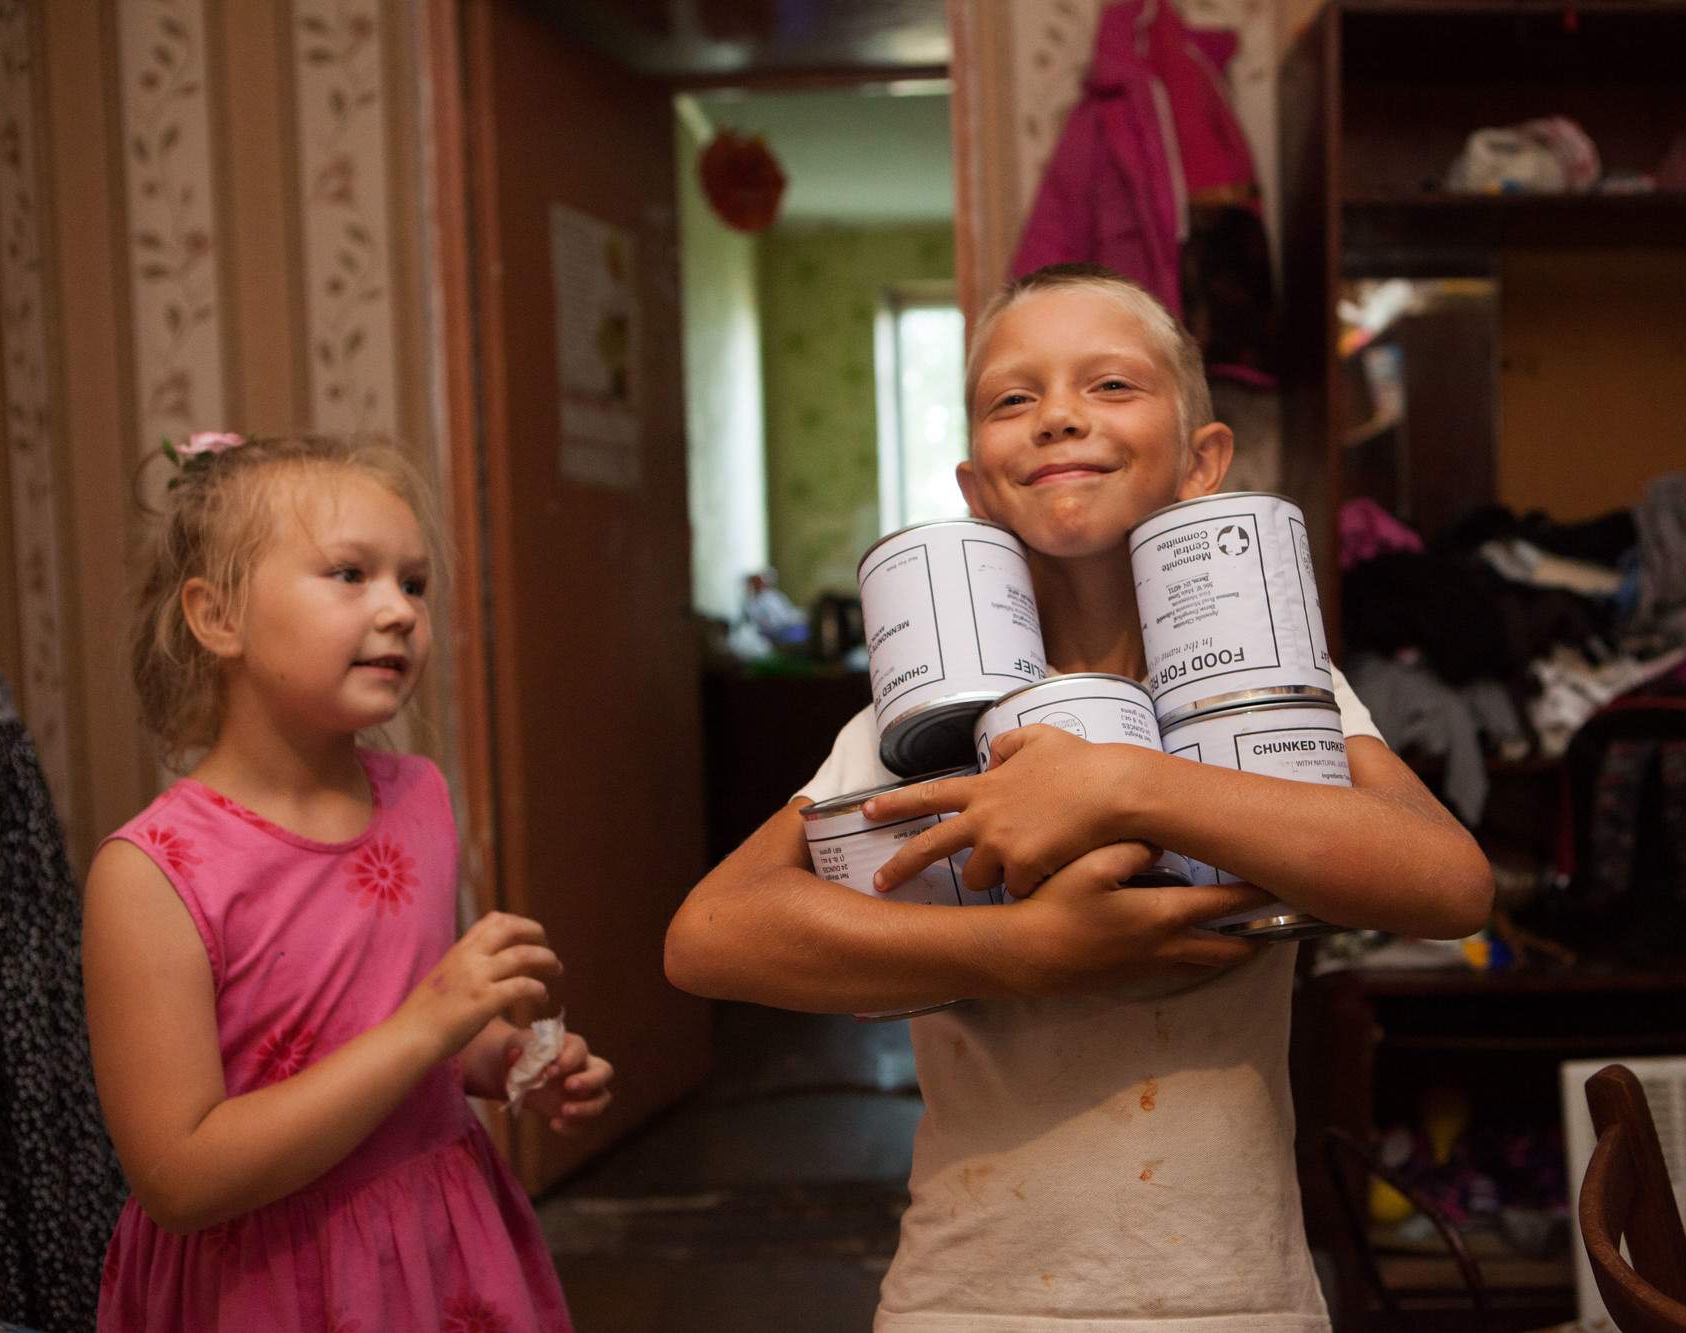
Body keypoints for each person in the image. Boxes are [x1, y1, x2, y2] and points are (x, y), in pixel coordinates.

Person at [666, 264, 1493, 1330]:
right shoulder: (918, 720)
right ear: (975, 489)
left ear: (1202, 463)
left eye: (1109, 386)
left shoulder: (1272, 683)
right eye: (1014, 398)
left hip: (1231, 1295)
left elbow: (1448, 885)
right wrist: (1023, 954)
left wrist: (1125, 783)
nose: (1058, 415)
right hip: (971, 1294)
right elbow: (710, 935)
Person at [83, 434, 611, 1332]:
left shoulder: (420, 797)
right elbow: (179, 1177)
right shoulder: (150, 873)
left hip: (438, 1245)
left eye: (412, 582)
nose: (399, 610)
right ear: (218, 618)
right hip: (266, 1280)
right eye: (349, 575)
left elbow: (416, 1031)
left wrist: (506, 1056)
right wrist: (426, 1026)